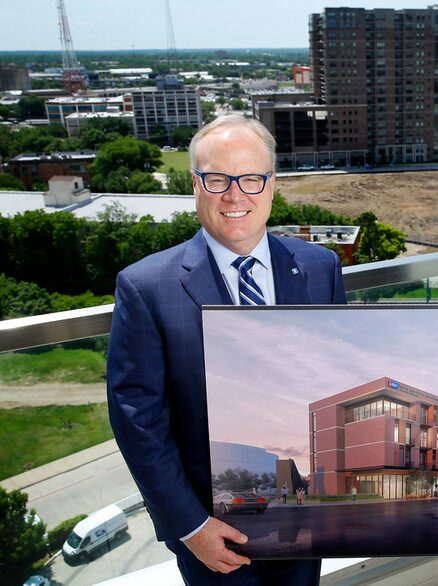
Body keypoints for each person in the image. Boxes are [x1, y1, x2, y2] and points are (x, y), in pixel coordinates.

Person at [107, 115, 346, 586]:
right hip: (211, 533)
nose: (235, 196)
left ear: (272, 186)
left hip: (303, 517)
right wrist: (189, 527)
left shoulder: (321, 268)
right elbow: (138, 421)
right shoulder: (146, 286)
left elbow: (337, 379)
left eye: (252, 179)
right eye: (217, 179)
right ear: (194, 184)